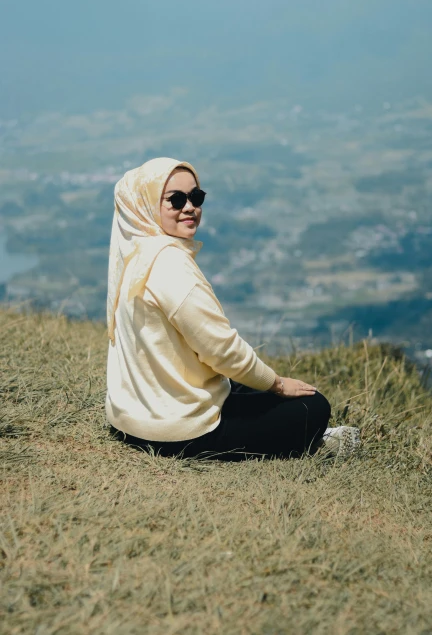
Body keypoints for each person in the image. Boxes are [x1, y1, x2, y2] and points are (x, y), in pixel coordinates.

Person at [106, 157, 360, 460]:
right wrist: (277, 385)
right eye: (175, 199)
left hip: (129, 421)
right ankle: (316, 445)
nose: (189, 206)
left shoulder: (135, 257)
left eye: (196, 196)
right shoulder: (171, 267)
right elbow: (221, 350)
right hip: (177, 433)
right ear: (146, 204)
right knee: (314, 406)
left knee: (235, 384)